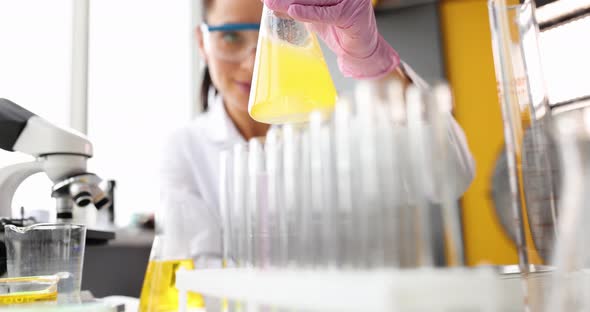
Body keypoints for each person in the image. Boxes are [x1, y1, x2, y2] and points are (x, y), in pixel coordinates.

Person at [159, 0, 475, 260]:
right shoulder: (185, 148)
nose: (253, 62)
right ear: (203, 43)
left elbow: (449, 178)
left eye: (278, 31)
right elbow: (196, 275)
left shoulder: (343, 123)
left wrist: (371, 59)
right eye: (230, 37)